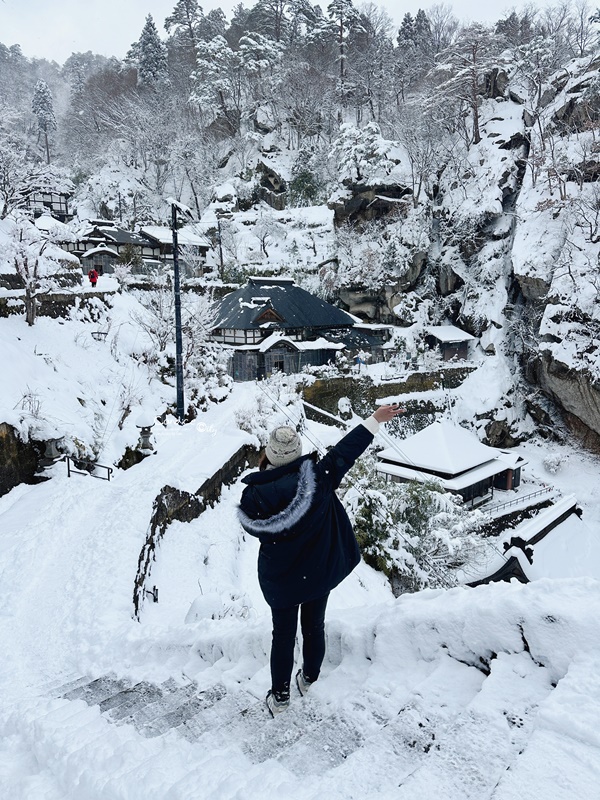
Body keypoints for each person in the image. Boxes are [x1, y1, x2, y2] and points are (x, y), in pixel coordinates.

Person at [237, 403, 404, 717]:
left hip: (282, 578)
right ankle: (309, 678)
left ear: (268, 455)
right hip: (315, 572)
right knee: (314, 626)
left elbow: (251, 526)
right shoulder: (319, 478)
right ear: (298, 453)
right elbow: (345, 451)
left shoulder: (253, 497)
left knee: (283, 635)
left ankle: (281, 696)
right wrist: (374, 420)